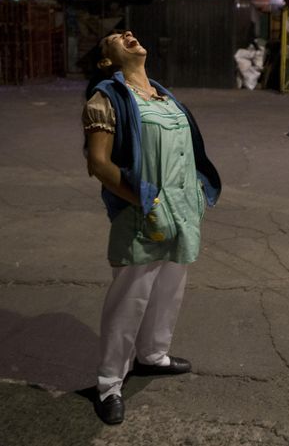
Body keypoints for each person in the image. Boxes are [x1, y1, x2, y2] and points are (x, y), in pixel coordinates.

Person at [82, 30, 221, 425]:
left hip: (182, 210)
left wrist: (196, 192)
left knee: (169, 289)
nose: (128, 34)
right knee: (130, 298)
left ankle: (153, 355)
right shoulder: (106, 99)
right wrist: (146, 200)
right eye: (115, 37)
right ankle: (110, 383)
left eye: (128, 32)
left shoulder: (164, 96)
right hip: (142, 211)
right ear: (106, 61)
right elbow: (99, 163)